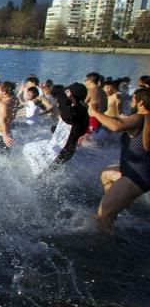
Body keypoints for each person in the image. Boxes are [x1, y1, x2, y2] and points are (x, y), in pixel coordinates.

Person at [89, 88, 150, 234]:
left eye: (134, 100)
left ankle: (107, 247)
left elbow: (117, 126)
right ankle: (115, 205)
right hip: (141, 172)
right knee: (106, 173)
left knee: (102, 215)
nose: (132, 102)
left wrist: (95, 112)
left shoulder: (140, 118)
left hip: (135, 177)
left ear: (141, 102)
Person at [52, 83, 90, 166]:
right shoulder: (77, 107)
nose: (66, 92)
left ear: (72, 94)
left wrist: (62, 97)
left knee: (29, 149)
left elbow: (67, 117)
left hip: (62, 149)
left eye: (68, 91)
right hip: (64, 149)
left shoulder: (78, 110)